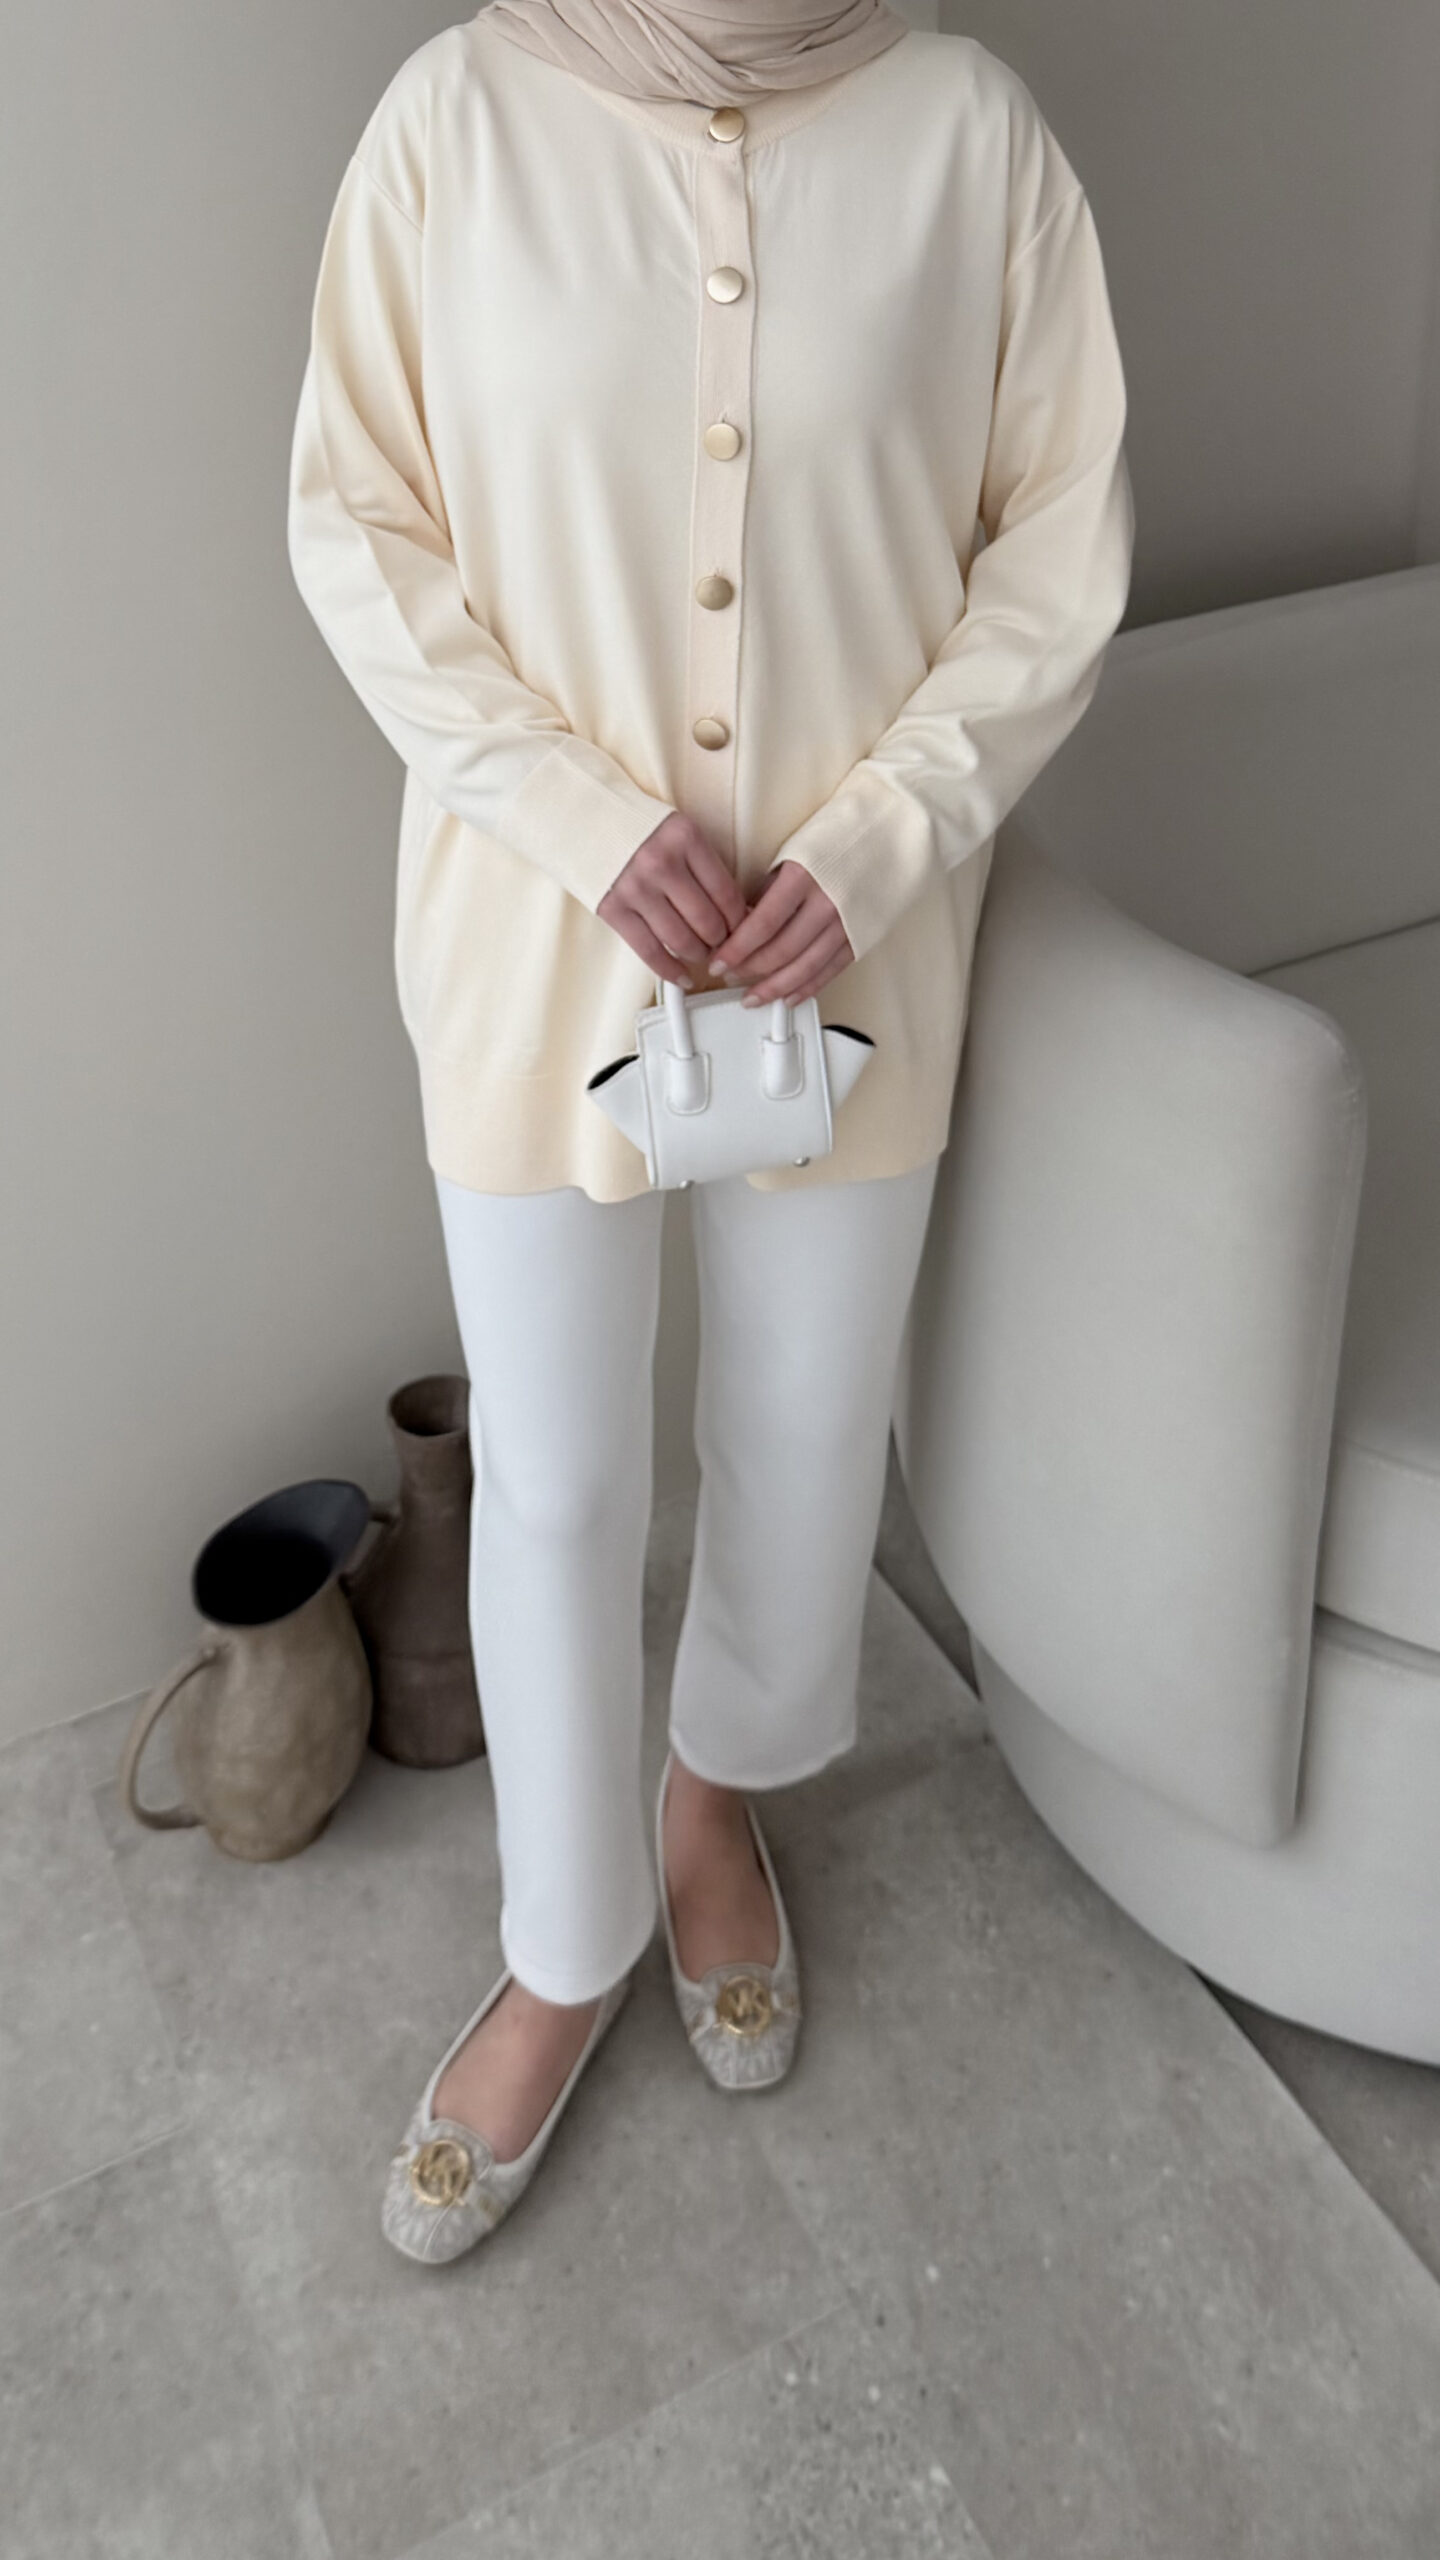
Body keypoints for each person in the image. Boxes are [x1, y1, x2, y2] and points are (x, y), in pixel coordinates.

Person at [286, 0, 1135, 2265]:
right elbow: (358, 527)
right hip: (527, 948)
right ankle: (562, 1946)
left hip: (856, 963)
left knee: (803, 1432)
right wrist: (582, 823)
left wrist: (881, 841)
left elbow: (1057, 550)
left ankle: (708, 1805)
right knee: (557, 1479)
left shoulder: (969, 139)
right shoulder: (455, 124)